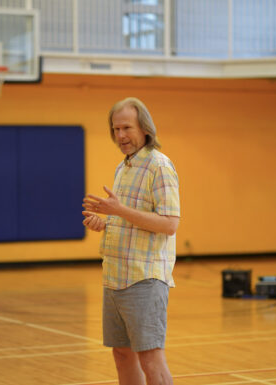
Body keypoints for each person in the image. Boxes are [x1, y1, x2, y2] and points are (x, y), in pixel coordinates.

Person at [82, 97, 180, 385]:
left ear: (145, 129)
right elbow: (127, 219)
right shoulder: (122, 167)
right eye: (116, 129)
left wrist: (119, 211)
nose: (121, 136)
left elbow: (170, 224)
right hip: (115, 277)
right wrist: (104, 222)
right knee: (122, 355)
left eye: (127, 128)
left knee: (151, 359)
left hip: (144, 279)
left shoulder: (159, 166)